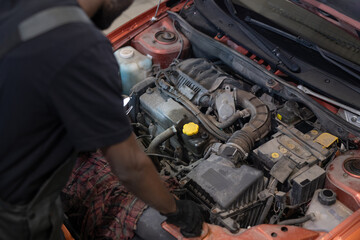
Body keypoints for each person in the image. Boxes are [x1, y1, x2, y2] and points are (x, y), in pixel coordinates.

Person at [0, 0, 203, 239]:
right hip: (13, 213)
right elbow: (130, 167)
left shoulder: (17, 7)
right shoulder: (81, 46)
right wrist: (176, 210)